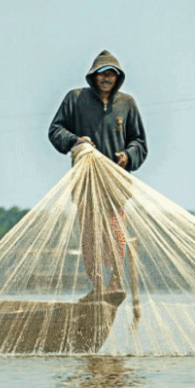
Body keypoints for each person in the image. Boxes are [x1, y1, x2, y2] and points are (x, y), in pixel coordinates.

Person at [49, 50, 148, 301]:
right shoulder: (75, 99)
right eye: (102, 73)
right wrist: (75, 140)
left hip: (115, 182)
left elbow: (139, 142)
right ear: (94, 76)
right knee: (91, 236)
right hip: (86, 183)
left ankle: (115, 281)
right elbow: (55, 129)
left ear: (118, 79)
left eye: (111, 74)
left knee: (115, 232)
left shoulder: (127, 104)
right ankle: (98, 286)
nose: (107, 78)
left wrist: (127, 155)